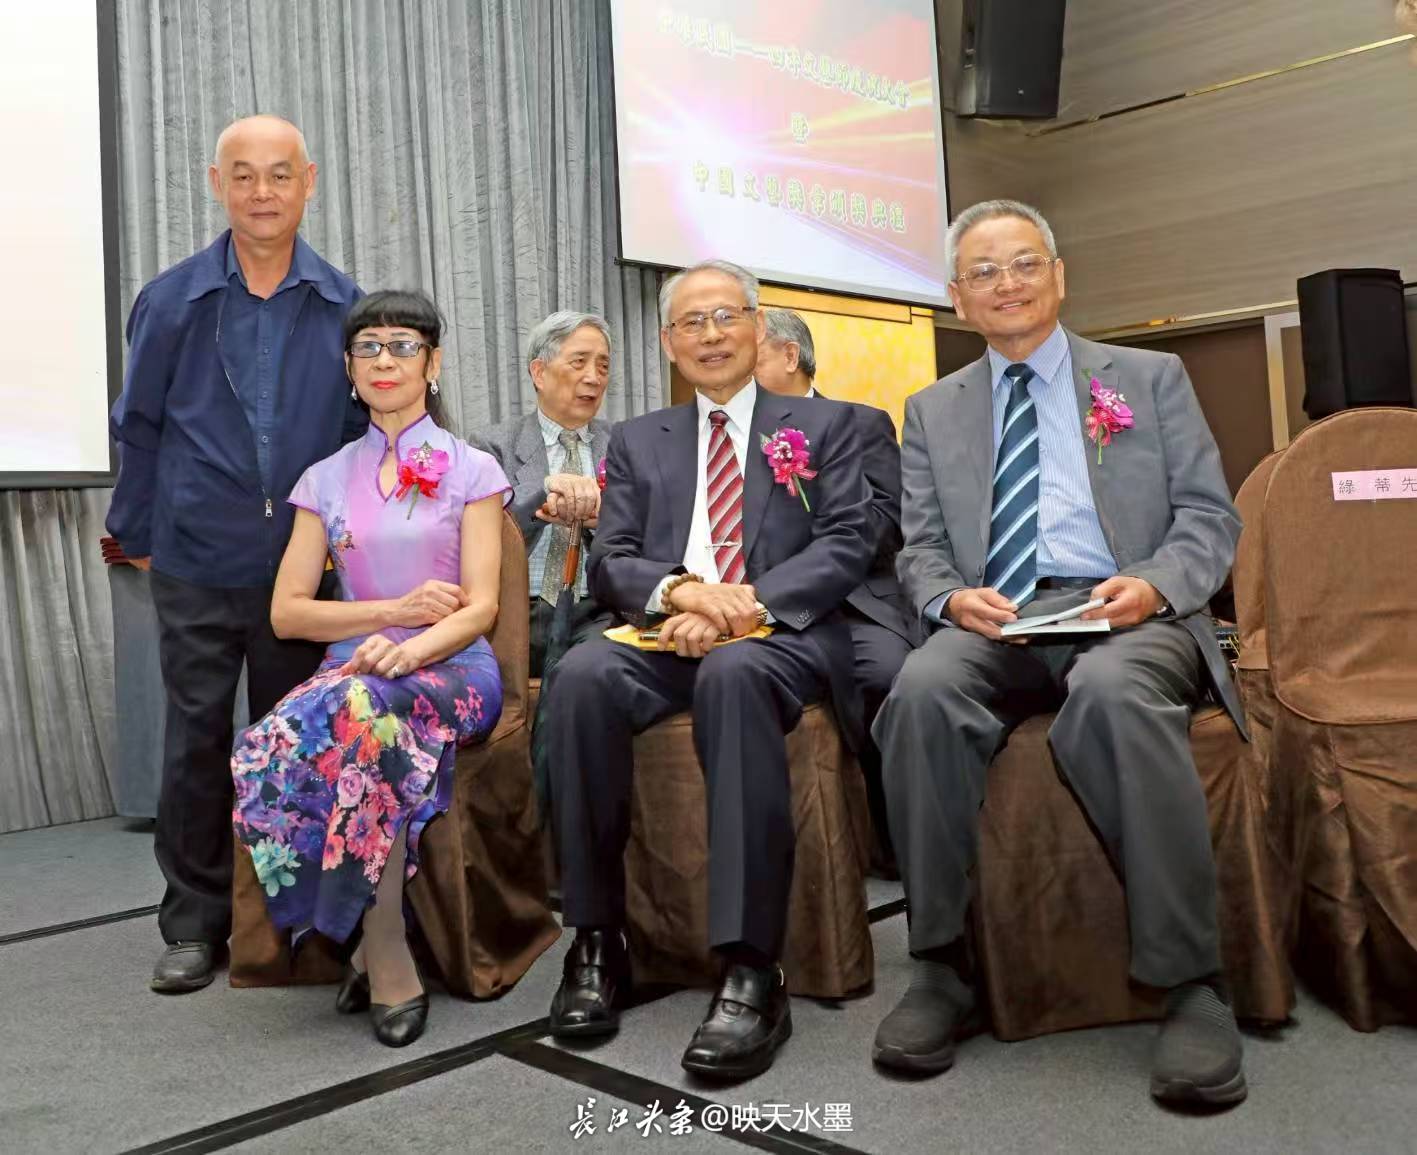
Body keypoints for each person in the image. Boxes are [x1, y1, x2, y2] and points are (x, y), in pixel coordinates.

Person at [870, 199, 1249, 1109]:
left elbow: (1209, 516)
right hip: (998, 616)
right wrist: (948, 598)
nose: (1006, 284)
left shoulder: (1149, 376)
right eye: (984, 271)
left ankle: (1190, 979)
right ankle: (941, 963)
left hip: (1126, 609)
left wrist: (1152, 585)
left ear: (1059, 275)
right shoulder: (931, 409)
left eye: (1024, 263)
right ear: (958, 297)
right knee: (920, 689)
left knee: (1113, 692)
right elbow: (919, 547)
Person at [541, 260, 873, 1079]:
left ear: (757, 326)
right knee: (580, 676)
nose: (711, 334)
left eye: (726, 316)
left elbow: (847, 543)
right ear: (667, 342)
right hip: (666, 629)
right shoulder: (639, 439)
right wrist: (683, 592)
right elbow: (612, 559)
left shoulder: (827, 425)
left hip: (778, 634)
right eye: (691, 322)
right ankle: (596, 940)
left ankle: (751, 966)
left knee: (735, 674)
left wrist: (742, 605)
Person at [106, 115, 365, 994]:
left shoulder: (343, 304)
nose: (262, 192)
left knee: (298, 743)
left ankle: (290, 920)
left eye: (279, 174)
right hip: (195, 557)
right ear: (217, 183)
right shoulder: (171, 300)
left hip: (300, 571)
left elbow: (356, 437)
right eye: (244, 175)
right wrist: (140, 534)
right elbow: (138, 425)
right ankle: (194, 920)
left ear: (308, 181)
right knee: (196, 740)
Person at [231, 289, 512, 1047]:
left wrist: (413, 644)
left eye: (403, 345)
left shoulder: (472, 469)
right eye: (368, 347)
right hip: (354, 668)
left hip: (454, 667)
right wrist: (390, 613)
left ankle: (382, 948)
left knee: (366, 712)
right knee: (271, 739)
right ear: (350, 369)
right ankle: (353, 932)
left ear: (433, 362)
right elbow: (289, 613)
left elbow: (482, 606)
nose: (385, 360)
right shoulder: (322, 478)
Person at [757, 307, 916, 872]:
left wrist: (821, 540)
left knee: (885, 675)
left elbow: (889, 522)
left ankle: (896, 838)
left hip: (855, 601)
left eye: (751, 353)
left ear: (789, 356)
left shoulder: (859, 422)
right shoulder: (733, 436)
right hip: (765, 606)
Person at [472, 312, 613, 676]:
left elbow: (646, 535)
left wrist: (602, 517)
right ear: (539, 372)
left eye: (603, 366)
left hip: (599, 611)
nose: (593, 377)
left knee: (591, 673)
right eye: (579, 363)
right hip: (517, 610)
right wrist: (544, 494)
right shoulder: (491, 446)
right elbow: (480, 539)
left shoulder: (624, 445)